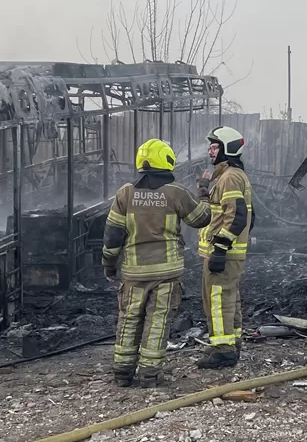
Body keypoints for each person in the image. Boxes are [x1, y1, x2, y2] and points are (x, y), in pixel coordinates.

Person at [102, 139, 212, 387]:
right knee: (158, 322)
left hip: (134, 273)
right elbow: (202, 219)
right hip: (166, 273)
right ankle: (149, 374)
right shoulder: (176, 193)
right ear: (167, 160)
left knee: (129, 319)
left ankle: (122, 373)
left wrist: (109, 264)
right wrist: (203, 191)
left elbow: (112, 235)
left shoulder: (125, 193)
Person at [196, 125, 253, 369]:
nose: (210, 151)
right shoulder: (232, 176)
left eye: (214, 147)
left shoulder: (229, 177)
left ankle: (223, 351)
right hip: (227, 252)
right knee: (228, 299)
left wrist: (220, 249)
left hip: (223, 254)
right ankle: (231, 342)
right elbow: (233, 214)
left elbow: (237, 215)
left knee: (218, 301)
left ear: (226, 149)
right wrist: (203, 190)